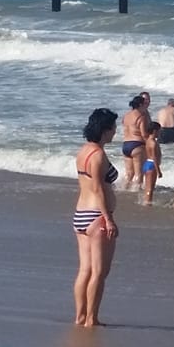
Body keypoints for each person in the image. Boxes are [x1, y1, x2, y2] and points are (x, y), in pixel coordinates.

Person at [73, 108, 120, 328]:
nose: (115, 131)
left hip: (81, 213)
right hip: (96, 216)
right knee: (100, 272)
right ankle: (91, 318)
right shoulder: (99, 155)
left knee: (85, 270)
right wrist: (108, 218)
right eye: (113, 127)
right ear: (105, 130)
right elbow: (98, 189)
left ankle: (80, 316)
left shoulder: (83, 151)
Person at [120, 95, 148, 189]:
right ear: (140, 105)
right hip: (137, 144)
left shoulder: (126, 116)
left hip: (126, 144)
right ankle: (136, 192)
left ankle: (123, 189)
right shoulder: (141, 116)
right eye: (144, 104)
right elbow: (143, 134)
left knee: (129, 173)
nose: (146, 106)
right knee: (138, 174)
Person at [141, 122, 163, 206]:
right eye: (159, 131)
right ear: (154, 131)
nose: (160, 133)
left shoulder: (148, 140)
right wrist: (158, 171)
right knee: (150, 188)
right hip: (152, 164)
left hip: (147, 163)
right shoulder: (153, 143)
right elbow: (154, 157)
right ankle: (148, 203)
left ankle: (146, 201)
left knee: (148, 187)